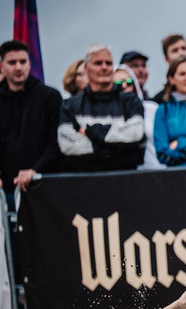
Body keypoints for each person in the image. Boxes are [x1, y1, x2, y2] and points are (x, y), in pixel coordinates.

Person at [58, 44, 146, 172]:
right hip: (84, 184)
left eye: (108, 63)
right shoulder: (70, 105)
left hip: (125, 183)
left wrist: (89, 131)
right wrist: (117, 148)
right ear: (87, 69)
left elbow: (136, 137)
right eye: (98, 63)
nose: (104, 67)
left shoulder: (130, 101)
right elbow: (67, 146)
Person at [0, 40, 61, 196]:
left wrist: (35, 170)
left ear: (29, 64)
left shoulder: (50, 97)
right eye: (12, 62)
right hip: (5, 190)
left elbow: (56, 143)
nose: (18, 67)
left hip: (43, 185)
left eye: (23, 61)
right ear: (2, 67)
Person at [114, 63, 163, 169]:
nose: (124, 86)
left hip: (157, 171)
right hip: (124, 174)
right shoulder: (107, 114)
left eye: (129, 82)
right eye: (117, 83)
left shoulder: (151, 108)